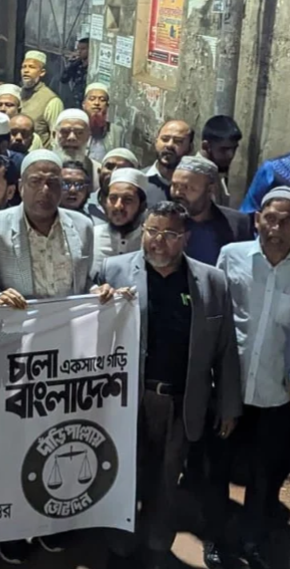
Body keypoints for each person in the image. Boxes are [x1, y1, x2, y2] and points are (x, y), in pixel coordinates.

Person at [94, 201, 240, 569]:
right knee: (123, 476)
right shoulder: (113, 271)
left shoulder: (212, 281)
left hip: (182, 401)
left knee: (166, 481)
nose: (159, 241)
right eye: (153, 231)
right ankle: (119, 547)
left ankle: (158, 547)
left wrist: (228, 405)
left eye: (170, 234)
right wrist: (98, 301)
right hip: (128, 398)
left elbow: (225, 347)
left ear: (186, 238)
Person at [211, 187, 290, 567]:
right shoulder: (232, 256)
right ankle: (217, 539)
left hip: (278, 393)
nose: (276, 228)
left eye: (287, 222)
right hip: (230, 387)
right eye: (270, 218)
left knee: (265, 474)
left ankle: (251, 540)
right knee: (219, 470)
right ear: (257, 219)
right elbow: (215, 314)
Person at [0, 150, 94, 300]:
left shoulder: (83, 225)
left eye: (53, 183)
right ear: (20, 186)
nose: (45, 190)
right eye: (35, 181)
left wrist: (96, 290)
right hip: (16, 314)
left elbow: (84, 282)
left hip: (71, 314)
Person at [170, 155, 252, 266]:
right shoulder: (162, 220)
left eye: (187, 188)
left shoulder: (237, 224)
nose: (178, 193)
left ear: (210, 190)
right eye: (174, 186)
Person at [91, 168, 148, 273]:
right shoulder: (91, 236)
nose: (118, 206)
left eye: (128, 200)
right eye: (113, 198)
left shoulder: (149, 243)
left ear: (142, 206)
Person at [18, 50, 64, 146]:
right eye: (24, 67)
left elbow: (56, 138)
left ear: (42, 72)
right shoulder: (17, 93)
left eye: (31, 67)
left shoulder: (51, 100)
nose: (26, 71)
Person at [145, 119, 193, 205]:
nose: (169, 145)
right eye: (165, 139)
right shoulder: (139, 180)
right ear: (156, 142)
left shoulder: (195, 186)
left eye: (178, 141)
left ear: (190, 147)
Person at [51, 109, 100, 189]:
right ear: (54, 135)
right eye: (65, 132)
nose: (72, 138)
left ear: (88, 137)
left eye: (79, 133)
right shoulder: (41, 169)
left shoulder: (97, 172)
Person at [201, 115, 242, 208]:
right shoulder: (195, 179)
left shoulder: (215, 173)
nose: (231, 155)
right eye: (224, 149)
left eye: (234, 149)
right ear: (206, 146)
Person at [87, 148, 140, 220]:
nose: (114, 172)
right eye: (109, 167)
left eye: (122, 169)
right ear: (99, 171)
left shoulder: (143, 213)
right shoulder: (84, 204)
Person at [82, 82, 124, 161]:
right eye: (92, 99)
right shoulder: (76, 129)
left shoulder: (116, 132)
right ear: (84, 104)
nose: (97, 103)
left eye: (102, 100)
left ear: (107, 106)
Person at [60, 37, 90, 109]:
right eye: (78, 49)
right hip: (75, 102)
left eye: (83, 49)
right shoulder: (77, 64)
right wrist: (70, 63)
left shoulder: (92, 67)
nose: (79, 52)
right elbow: (63, 79)